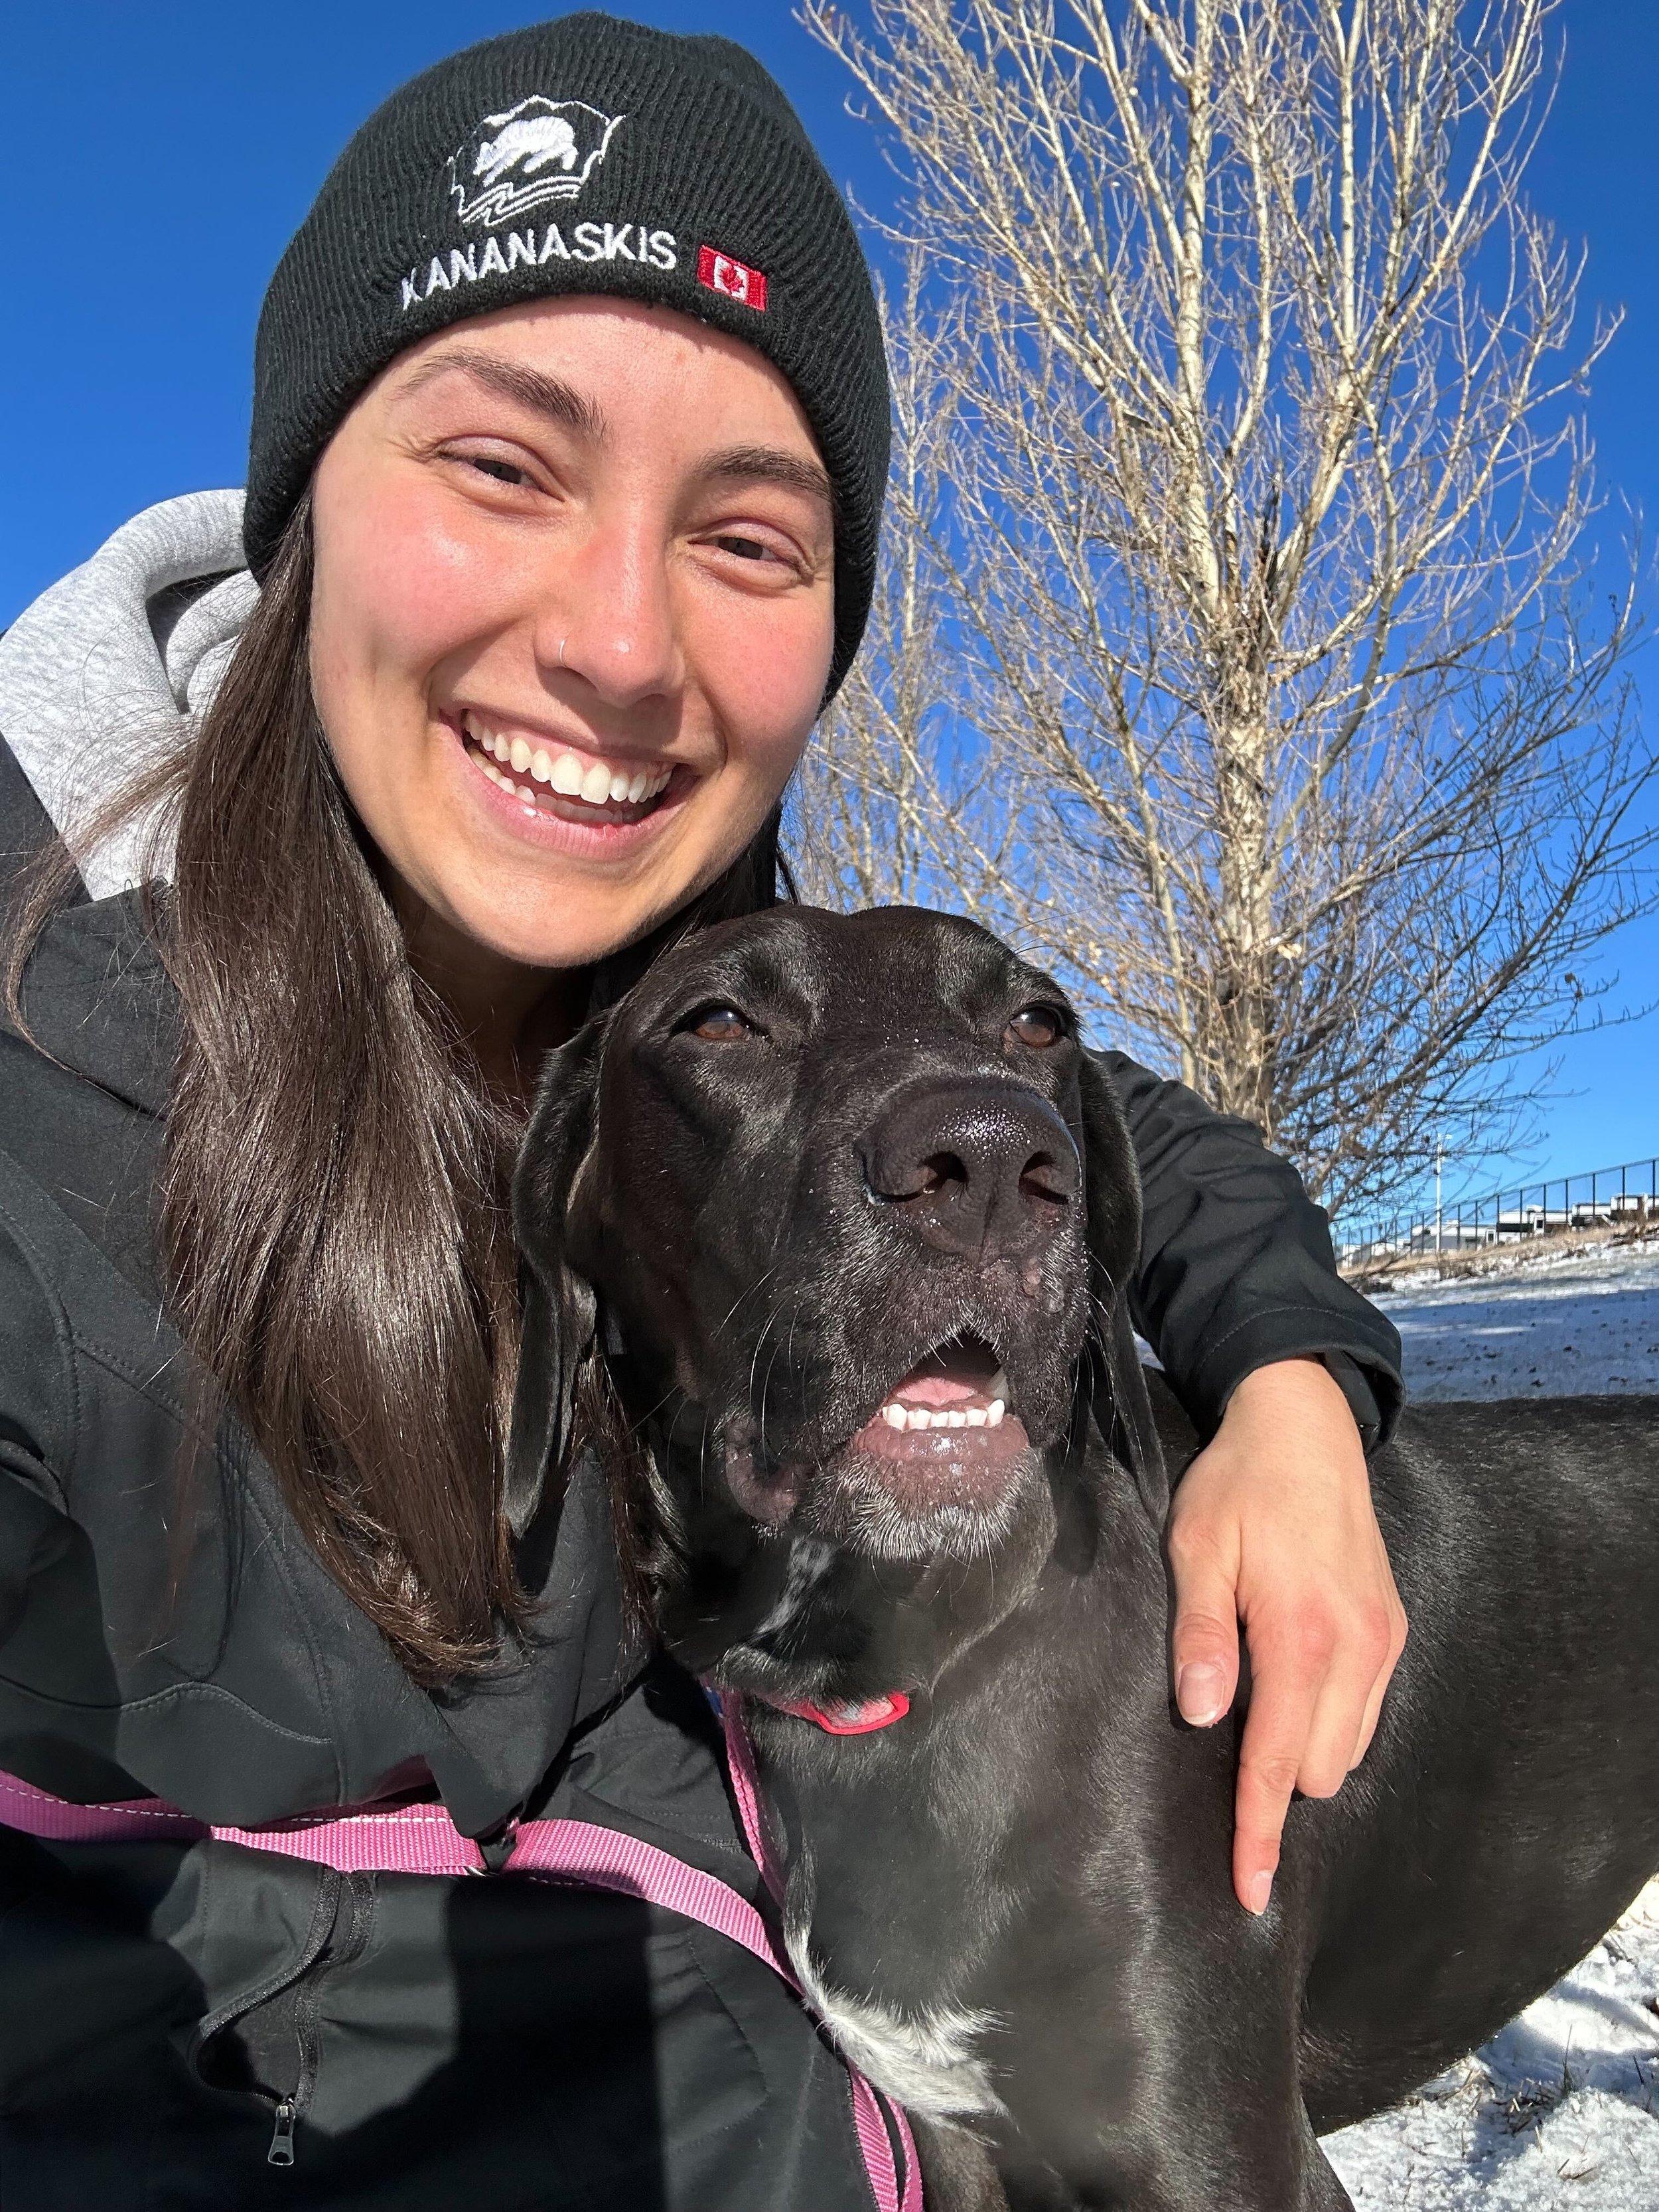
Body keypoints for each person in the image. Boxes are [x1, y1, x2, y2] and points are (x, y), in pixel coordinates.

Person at [0, 15, 1405, 2206]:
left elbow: (1095, 1116)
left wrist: (1295, 1377)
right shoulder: (45, 1082)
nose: (627, 643)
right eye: (502, 466)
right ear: (292, 516)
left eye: (749, 535)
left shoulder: (715, 979)